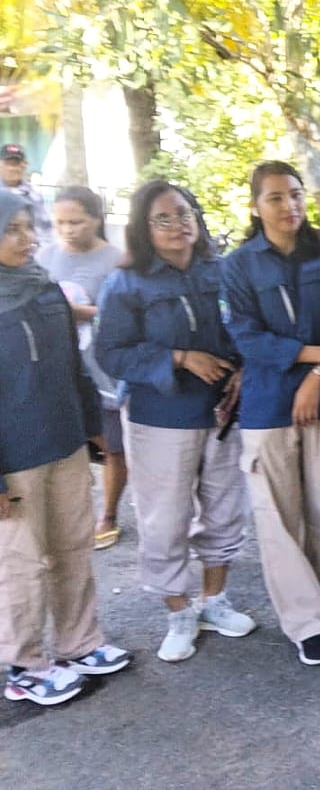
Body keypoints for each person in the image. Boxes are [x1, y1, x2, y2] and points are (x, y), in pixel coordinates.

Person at [95, 179, 257, 663]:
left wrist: (245, 372)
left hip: (223, 415)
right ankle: (178, 611)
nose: (177, 225)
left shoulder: (224, 271)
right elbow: (111, 352)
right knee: (165, 519)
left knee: (225, 509)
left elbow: (249, 330)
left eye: (184, 213)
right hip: (160, 418)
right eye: (163, 218)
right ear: (144, 228)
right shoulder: (127, 284)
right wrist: (181, 358)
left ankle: (214, 600)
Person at [221, 162, 320, 667]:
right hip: (268, 405)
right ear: (256, 207)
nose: (290, 207)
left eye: (296, 195)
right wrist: (315, 357)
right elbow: (245, 335)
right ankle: (307, 624)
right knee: (279, 519)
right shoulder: (237, 266)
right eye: (276, 198)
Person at [0, 189, 132, 706]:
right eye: (14, 230)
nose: (30, 239)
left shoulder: (43, 288)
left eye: (30, 227)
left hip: (64, 441)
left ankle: (80, 643)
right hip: (14, 459)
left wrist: (91, 427)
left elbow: (72, 366)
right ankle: (24, 664)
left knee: (73, 545)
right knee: (21, 562)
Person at [37, 186, 128, 550]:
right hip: (58, 369)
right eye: (60, 222)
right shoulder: (43, 257)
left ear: (96, 219)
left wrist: (77, 313)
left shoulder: (117, 260)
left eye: (76, 221)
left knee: (111, 446)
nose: (68, 229)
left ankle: (108, 513)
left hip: (104, 371)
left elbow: (127, 316)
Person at [1, 143, 51, 243]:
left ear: (25, 166)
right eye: (10, 164)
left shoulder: (34, 196)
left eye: (18, 163)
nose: (14, 168)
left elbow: (46, 229)